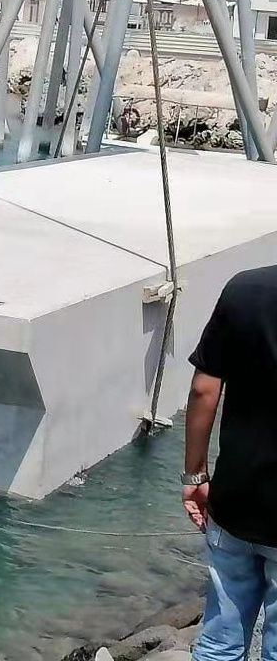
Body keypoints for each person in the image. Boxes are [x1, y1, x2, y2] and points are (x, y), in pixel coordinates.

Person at [184, 268, 277, 661]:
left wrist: (194, 475)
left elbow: (203, 389)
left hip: (234, 500)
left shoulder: (244, 288)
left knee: (219, 644)